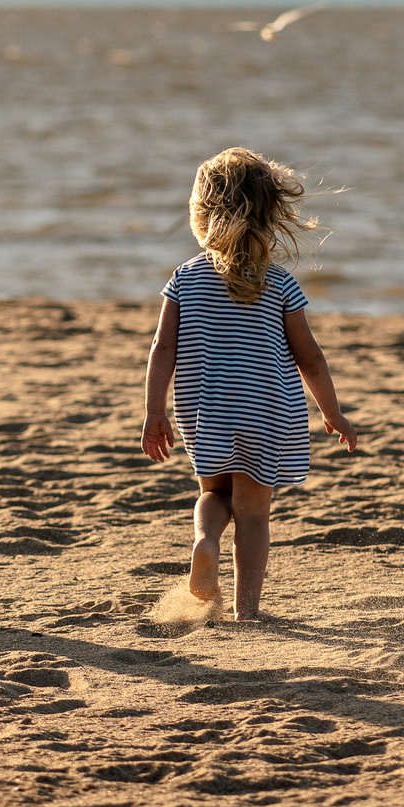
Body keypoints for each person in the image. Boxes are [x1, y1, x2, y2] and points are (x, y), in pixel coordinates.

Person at [140, 147, 357, 620]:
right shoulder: (279, 284)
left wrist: (155, 411)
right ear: (268, 216)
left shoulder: (184, 279)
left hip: (207, 413)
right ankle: (247, 611)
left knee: (213, 496)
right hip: (266, 415)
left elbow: (162, 350)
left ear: (201, 214)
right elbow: (311, 358)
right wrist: (332, 413)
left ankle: (204, 541)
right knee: (255, 513)